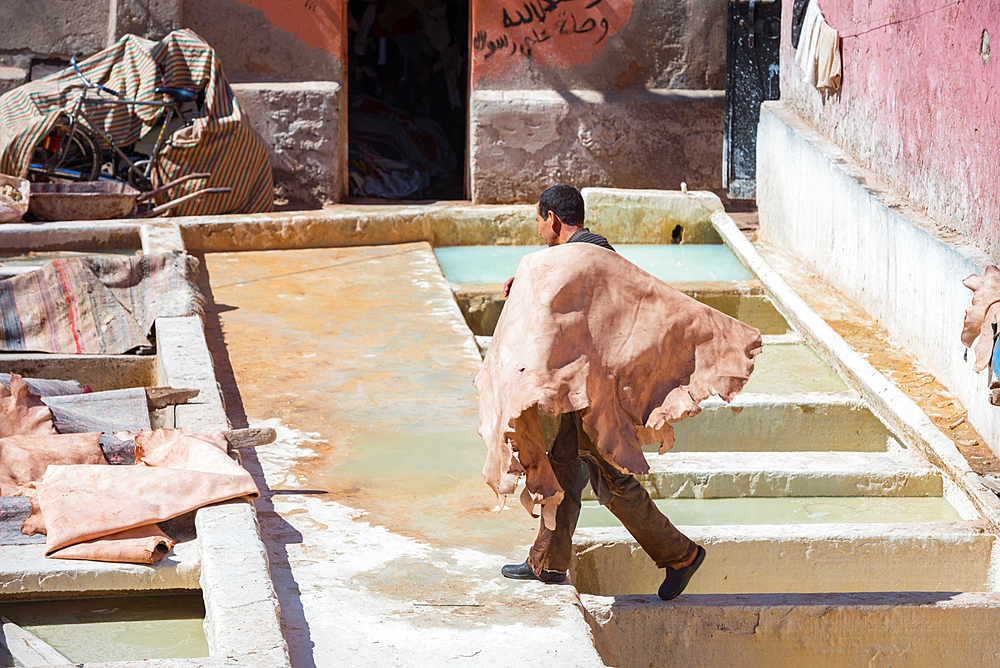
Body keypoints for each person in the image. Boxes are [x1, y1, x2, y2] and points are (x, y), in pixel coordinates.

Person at [498, 184, 705, 600]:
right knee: (562, 465)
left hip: (597, 396)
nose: (539, 230)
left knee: (611, 477)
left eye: (539, 222)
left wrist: (528, 289)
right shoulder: (597, 256)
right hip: (586, 390)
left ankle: (680, 554)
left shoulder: (584, 258)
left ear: (552, 219)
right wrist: (526, 288)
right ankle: (548, 562)